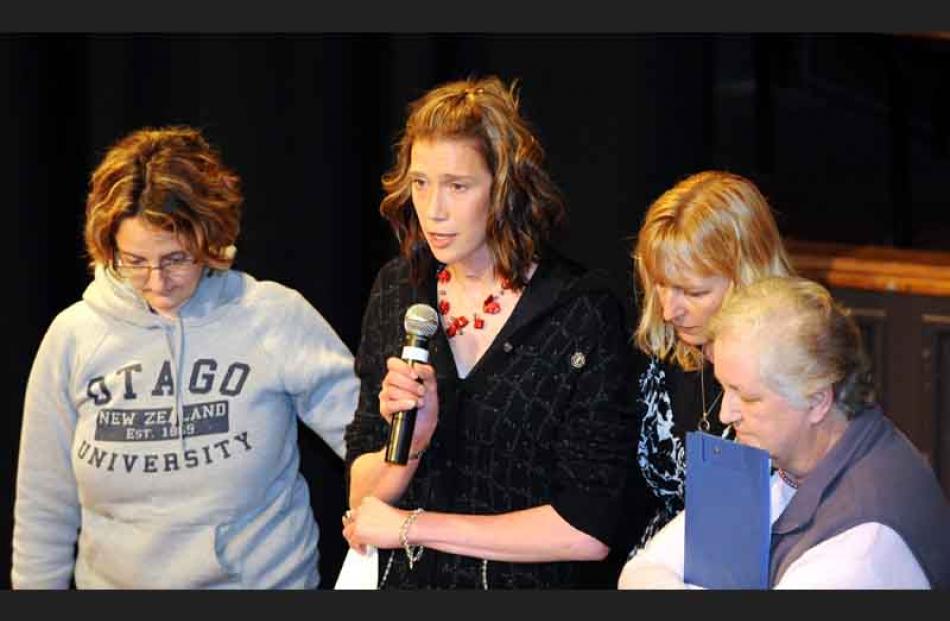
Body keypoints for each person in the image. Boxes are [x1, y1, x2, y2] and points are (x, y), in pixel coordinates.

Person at [12, 126, 360, 589]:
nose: (157, 282)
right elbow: (43, 507)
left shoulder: (273, 318)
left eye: (176, 258)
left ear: (212, 240)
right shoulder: (74, 337)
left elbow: (369, 442)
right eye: (134, 261)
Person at [341, 76, 643, 589]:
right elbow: (362, 498)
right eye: (419, 183)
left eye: (458, 186)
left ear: (504, 189)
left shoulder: (579, 311)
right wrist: (414, 445)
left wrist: (415, 528)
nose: (433, 209)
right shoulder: (400, 289)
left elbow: (588, 528)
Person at [619, 276, 950, 589]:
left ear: (818, 400)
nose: (725, 414)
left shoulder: (864, 545)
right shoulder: (789, 450)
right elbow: (640, 571)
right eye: (724, 389)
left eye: (749, 397)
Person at [630, 170, 794, 549]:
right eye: (662, 285)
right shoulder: (664, 352)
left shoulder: (793, 369)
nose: (670, 311)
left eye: (693, 292)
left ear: (746, 275)